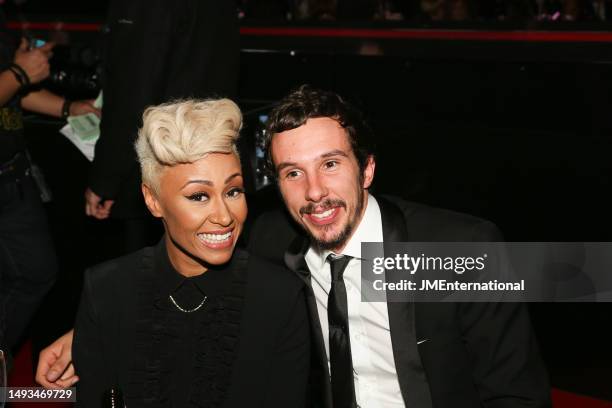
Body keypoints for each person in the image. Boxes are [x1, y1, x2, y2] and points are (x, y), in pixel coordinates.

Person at [37, 87, 550, 408]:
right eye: (292, 173)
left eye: (331, 164)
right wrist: (87, 327)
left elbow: (518, 396)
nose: (315, 193)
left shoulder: (454, 249)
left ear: (366, 169)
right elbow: (191, 269)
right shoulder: (270, 239)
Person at [71, 99, 309, 406]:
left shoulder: (279, 297)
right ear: (153, 200)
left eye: (233, 191)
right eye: (199, 196)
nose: (224, 216)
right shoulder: (106, 290)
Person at [85, 0, 240, 253]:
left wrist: (105, 178)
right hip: (212, 155)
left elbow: (133, 96)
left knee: (152, 275)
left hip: (161, 167)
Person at [0, 5, 99, 358]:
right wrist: (18, 73)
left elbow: (13, 91)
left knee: (37, 272)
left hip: (13, 173)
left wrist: (67, 107)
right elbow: (13, 80)